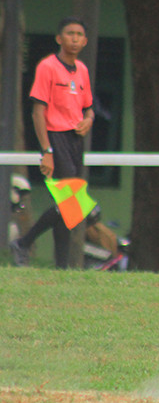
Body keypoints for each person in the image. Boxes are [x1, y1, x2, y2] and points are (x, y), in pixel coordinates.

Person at [9, 17, 94, 269]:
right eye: (70, 33)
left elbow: (88, 108)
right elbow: (38, 111)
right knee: (71, 203)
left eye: (79, 34)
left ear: (85, 41)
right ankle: (23, 242)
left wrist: (88, 120)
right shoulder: (48, 67)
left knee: (68, 207)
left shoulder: (82, 70)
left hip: (75, 140)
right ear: (59, 38)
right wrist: (47, 149)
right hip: (55, 137)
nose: (74, 39)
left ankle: (61, 267)